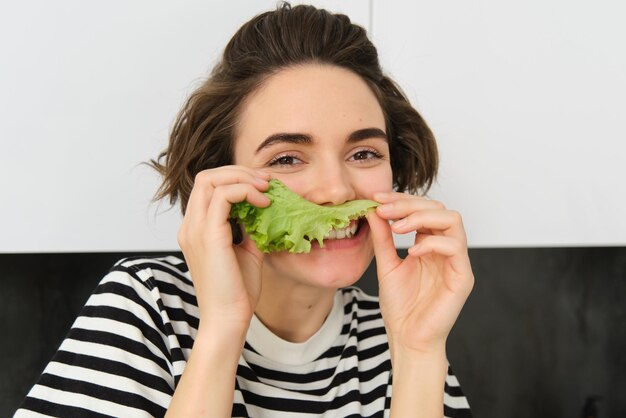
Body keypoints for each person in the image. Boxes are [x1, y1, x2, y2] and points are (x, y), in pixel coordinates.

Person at [16, 3, 474, 417]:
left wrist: (417, 353)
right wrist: (222, 327)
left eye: (364, 154)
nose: (336, 189)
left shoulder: (400, 330)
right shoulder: (149, 306)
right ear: (222, 183)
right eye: (287, 159)